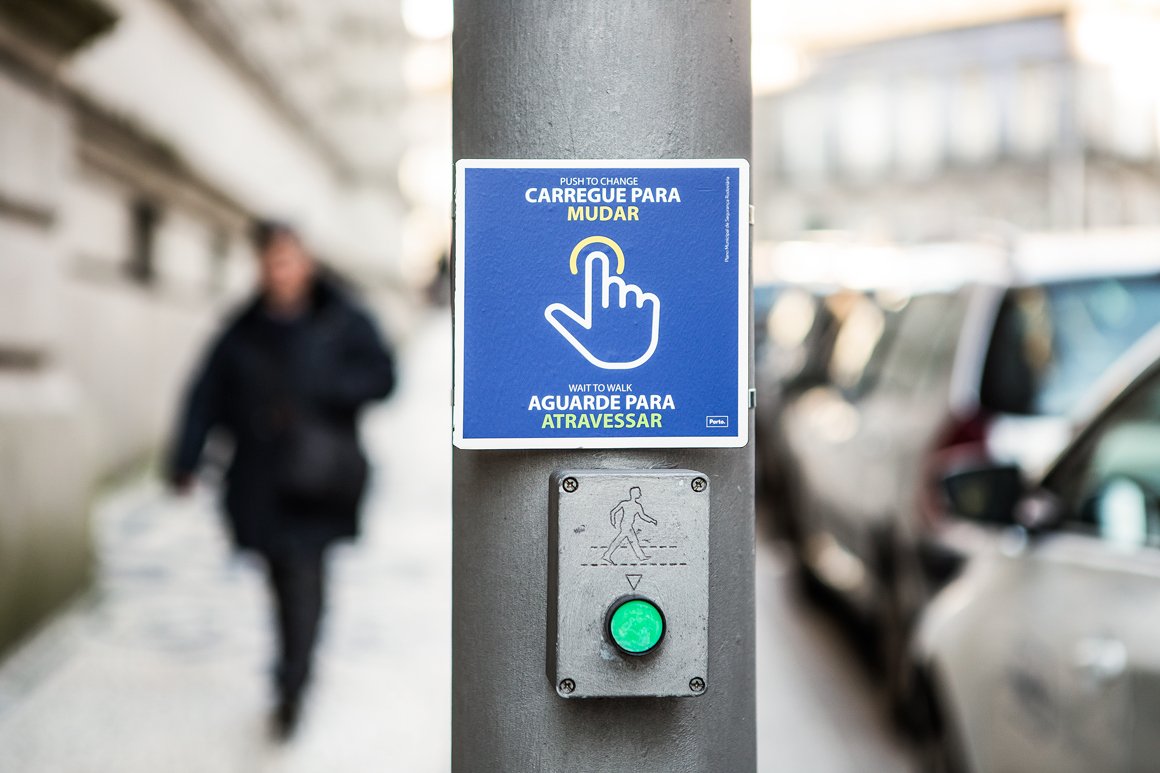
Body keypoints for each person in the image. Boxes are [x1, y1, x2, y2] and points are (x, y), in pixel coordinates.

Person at [167, 220, 395, 739]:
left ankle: (293, 681)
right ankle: (292, 666)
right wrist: (185, 459)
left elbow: (383, 376)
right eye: (271, 261)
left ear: (306, 263)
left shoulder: (343, 319)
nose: (280, 271)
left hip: (320, 477)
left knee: (304, 575)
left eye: (288, 260)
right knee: (277, 575)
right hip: (260, 479)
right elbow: (205, 394)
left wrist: (325, 390)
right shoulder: (243, 327)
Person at [601, 486, 658, 564]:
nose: (640, 494)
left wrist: (651, 520)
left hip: (627, 525)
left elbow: (642, 516)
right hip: (626, 525)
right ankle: (607, 555)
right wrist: (613, 521)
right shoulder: (627, 504)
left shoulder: (636, 505)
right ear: (634, 494)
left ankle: (607, 555)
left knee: (627, 540)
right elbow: (613, 511)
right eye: (639, 492)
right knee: (627, 540)